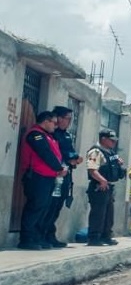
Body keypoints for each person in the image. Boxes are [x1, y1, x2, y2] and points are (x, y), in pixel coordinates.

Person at [17, 111, 66, 250]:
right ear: (46, 121)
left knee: (44, 207)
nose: (56, 126)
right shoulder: (35, 134)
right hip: (37, 176)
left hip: (48, 177)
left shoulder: (48, 136)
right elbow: (45, 153)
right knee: (35, 206)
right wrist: (59, 167)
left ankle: (38, 237)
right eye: (54, 123)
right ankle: (26, 239)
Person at [42, 106, 81, 248]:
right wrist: (70, 158)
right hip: (54, 175)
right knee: (49, 206)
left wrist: (75, 159)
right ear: (58, 118)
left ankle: (50, 235)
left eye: (71, 119)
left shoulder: (67, 135)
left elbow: (70, 152)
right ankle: (42, 236)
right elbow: (56, 153)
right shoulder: (52, 134)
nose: (69, 122)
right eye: (66, 118)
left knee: (57, 206)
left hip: (65, 174)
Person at [85, 129, 124, 246]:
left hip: (109, 187)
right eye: (111, 140)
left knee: (108, 214)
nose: (114, 142)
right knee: (98, 213)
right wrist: (102, 180)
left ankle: (106, 236)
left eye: (115, 140)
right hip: (99, 186)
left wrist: (120, 165)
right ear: (103, 139)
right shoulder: (95, 151)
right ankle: (94, 238)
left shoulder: (111, 153)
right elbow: (92, 170)